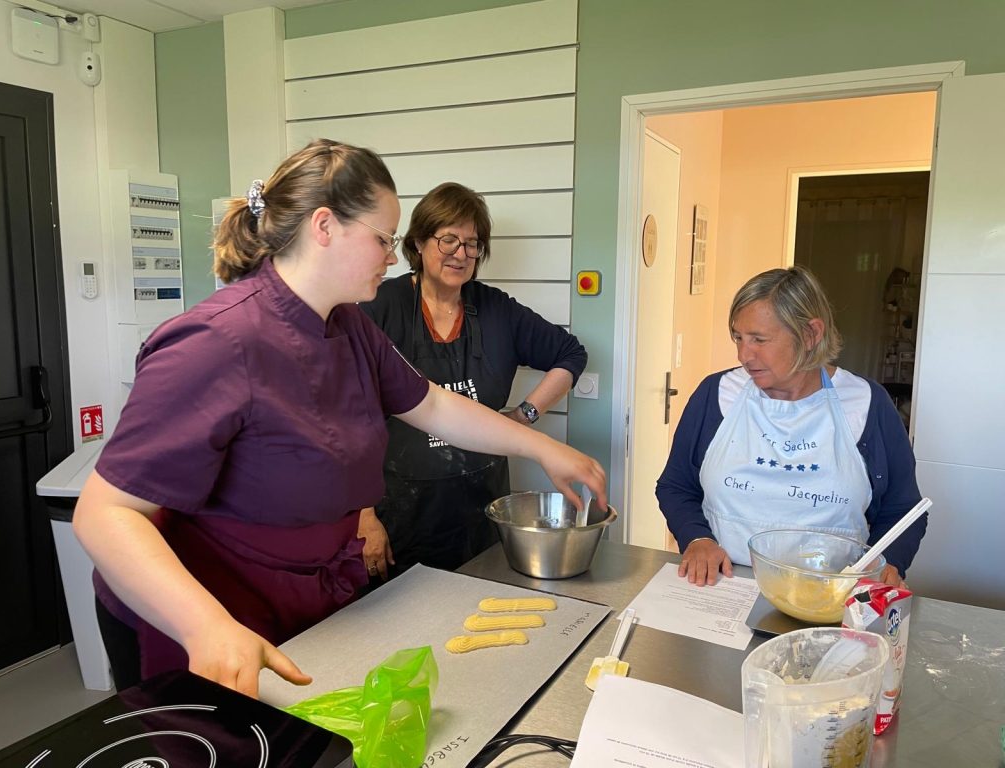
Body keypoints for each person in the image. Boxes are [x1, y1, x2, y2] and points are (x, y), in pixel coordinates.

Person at [72, 140, 606, 699]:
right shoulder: (216, 341)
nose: (392, 258)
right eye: (382, 239)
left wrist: (543, 447)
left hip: (303, 595)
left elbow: (432, 405)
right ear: (324, 226)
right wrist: (204, 625)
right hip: (205, 612)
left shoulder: (350, 327)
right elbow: (105, 513)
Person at [359, 182, 588, 578]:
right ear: (418, 242)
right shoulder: (379, 308)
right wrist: (362, 515)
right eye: (448, 240)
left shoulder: (496, 310)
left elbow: (571, 354)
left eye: (472, 244)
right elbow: (348, 416)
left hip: (483, 511)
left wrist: (523, 417)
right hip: (400, 516)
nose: (461, 254)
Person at [656, 266, 926, 588]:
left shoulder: (867, 403)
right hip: (725, 584)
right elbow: (676, 486)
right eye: (738, 337)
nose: (743, 354)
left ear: (811, 334)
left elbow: (904, 509)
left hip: (832, 591)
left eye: (759, 339)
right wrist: (697, 538)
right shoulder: (715, 394)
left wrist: (888, 561)